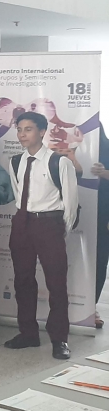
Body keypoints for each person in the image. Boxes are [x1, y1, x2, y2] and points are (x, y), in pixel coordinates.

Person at [4, 112, 77, 360]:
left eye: (28, 129)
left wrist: (58, 229)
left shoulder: (59, 162)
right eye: (19, 129)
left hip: (49, 223)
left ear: (42, 132)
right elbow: (18, 193)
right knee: (23, 280)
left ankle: (59, 339)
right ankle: (28, 333)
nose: (22, 134)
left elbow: (70, 202)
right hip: (22, 222)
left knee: (56, 282)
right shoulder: (15, 162)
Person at [94, 125, 109, 329]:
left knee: (99, 261)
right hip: (74, 212)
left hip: (103, 214)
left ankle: (90, 306)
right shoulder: (67, 147)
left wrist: (104, 173)